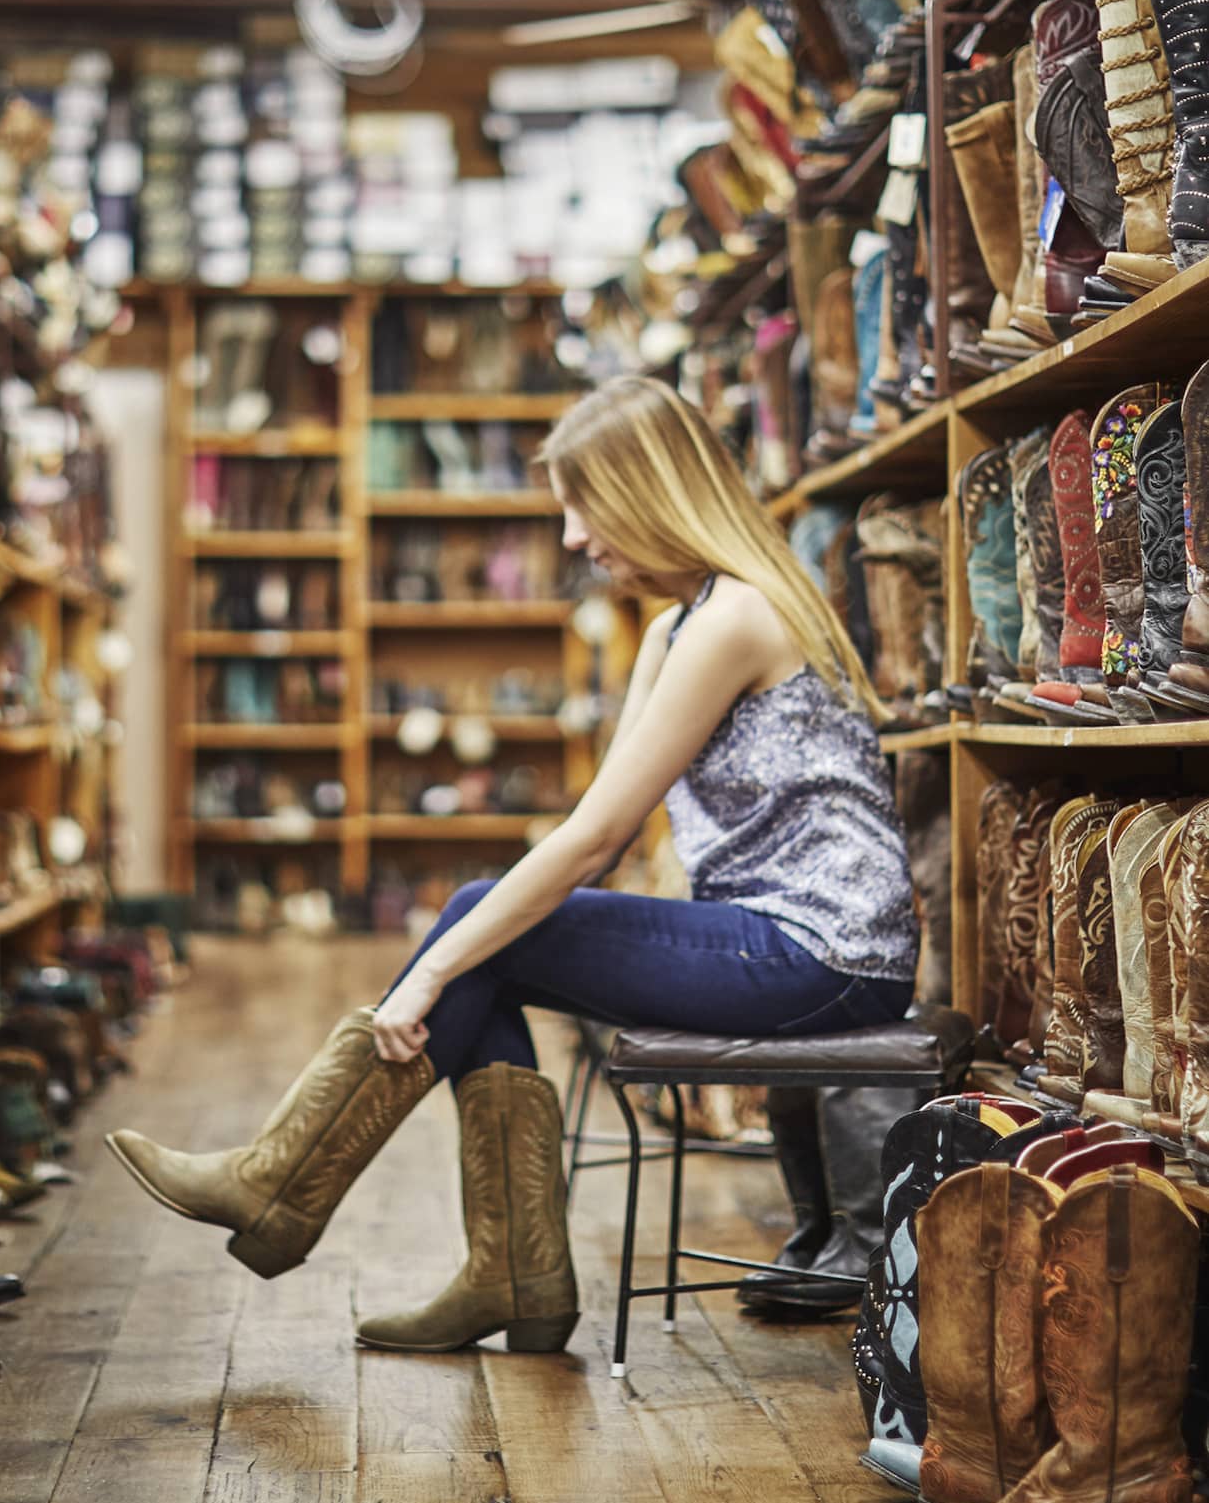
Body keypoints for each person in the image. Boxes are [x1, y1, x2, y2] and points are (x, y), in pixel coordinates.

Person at [108, 375, 918, 1355]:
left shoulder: (735, 617)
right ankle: (503, 1271)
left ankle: (294, 1183)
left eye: (584, 504)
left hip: (822, 953)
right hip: (776, 942)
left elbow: (595, 839)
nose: (573, 535)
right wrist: (453, 956)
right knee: (489, 930)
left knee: (478, 924)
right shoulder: (679, 624)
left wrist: (431, 969)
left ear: (649, 491)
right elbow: (597, 812)